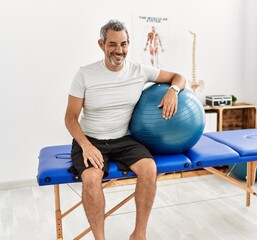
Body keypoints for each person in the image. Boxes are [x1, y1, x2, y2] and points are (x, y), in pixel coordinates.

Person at [64, 19, 186, 240]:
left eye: (123, 44)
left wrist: (173, 91)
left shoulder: (139, 71)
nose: (119, 50)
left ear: (128, 44)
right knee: (91, 179)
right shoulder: (85, 74)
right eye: (112, 44)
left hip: (123, 139)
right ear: (101, 44)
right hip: (91, 140)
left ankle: (139, 234)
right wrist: (86, 146)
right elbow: (71, 118)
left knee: (149, 169)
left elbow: (179, 77)